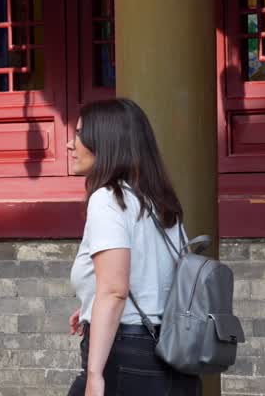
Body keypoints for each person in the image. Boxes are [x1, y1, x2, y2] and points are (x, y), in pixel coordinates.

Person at [67, 98, 202, 396]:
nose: (70, 144)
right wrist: (92, 303)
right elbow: (160, 279)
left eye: (79, 134)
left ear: (106, 141)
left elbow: (115, 290)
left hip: (126, 357)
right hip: (172, 354)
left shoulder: (108, 199)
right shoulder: (158, 202)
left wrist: (94, 375)